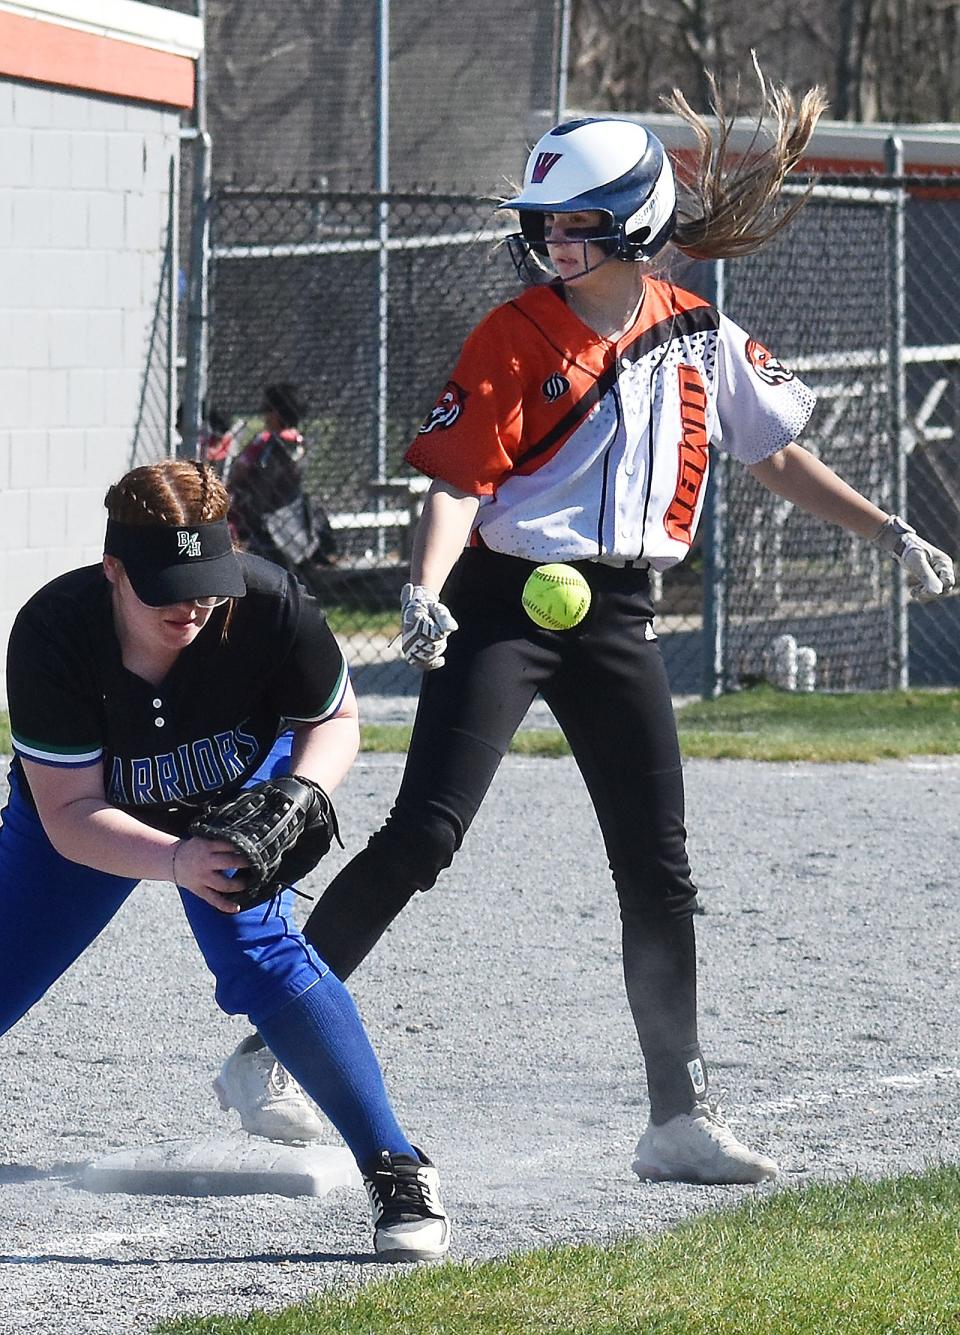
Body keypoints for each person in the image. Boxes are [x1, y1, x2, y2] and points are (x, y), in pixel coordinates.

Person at [216, 79, 956, 1182]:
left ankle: (677, 1119)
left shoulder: (700, 333)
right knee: (425, 835)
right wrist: (426, 586)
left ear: (638, 225)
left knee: (658, 869)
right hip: (505, 602)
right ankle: (264, 1050)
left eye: (581, 226)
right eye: (547, 226)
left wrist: (888, 528)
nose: (557, 243)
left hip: (620, 616)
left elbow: (776, 453)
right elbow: (462, 482)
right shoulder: (512, 333)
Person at [0, 460, 449, 1262]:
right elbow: (69, 817)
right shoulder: (52, 633)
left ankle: (396, 1165)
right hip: (90, 811)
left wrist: (301, 789)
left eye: (206, 579)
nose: (193, 603)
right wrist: (175, 859)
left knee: (260, 948)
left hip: (234, 796)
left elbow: (335, 716)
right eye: (166, 585)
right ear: (113, 569)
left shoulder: (267, 603)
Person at [227, 382, 337, 585]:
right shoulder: (299, 442)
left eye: (266, 410)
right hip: (289, 513)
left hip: (256, 515)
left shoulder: (264, 441)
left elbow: (239, 472)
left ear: (276, 413)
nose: (264, 416)